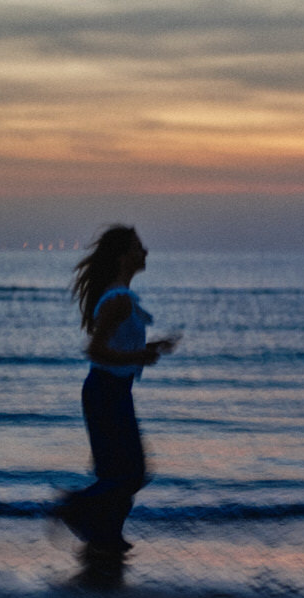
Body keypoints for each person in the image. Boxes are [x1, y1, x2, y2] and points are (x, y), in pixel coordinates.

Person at [52, 225, 179, 561]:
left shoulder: (120, 296)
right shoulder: (119, 300)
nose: (146, 252)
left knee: (116, 472)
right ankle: (73, 507)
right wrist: (140, 356)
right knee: (132, 472)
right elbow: (95, 351)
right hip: (106, 391)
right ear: (124, 256)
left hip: (112, 391)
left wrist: (151, 347)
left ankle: (105, 539)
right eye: (139, 247)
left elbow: (117, 345)